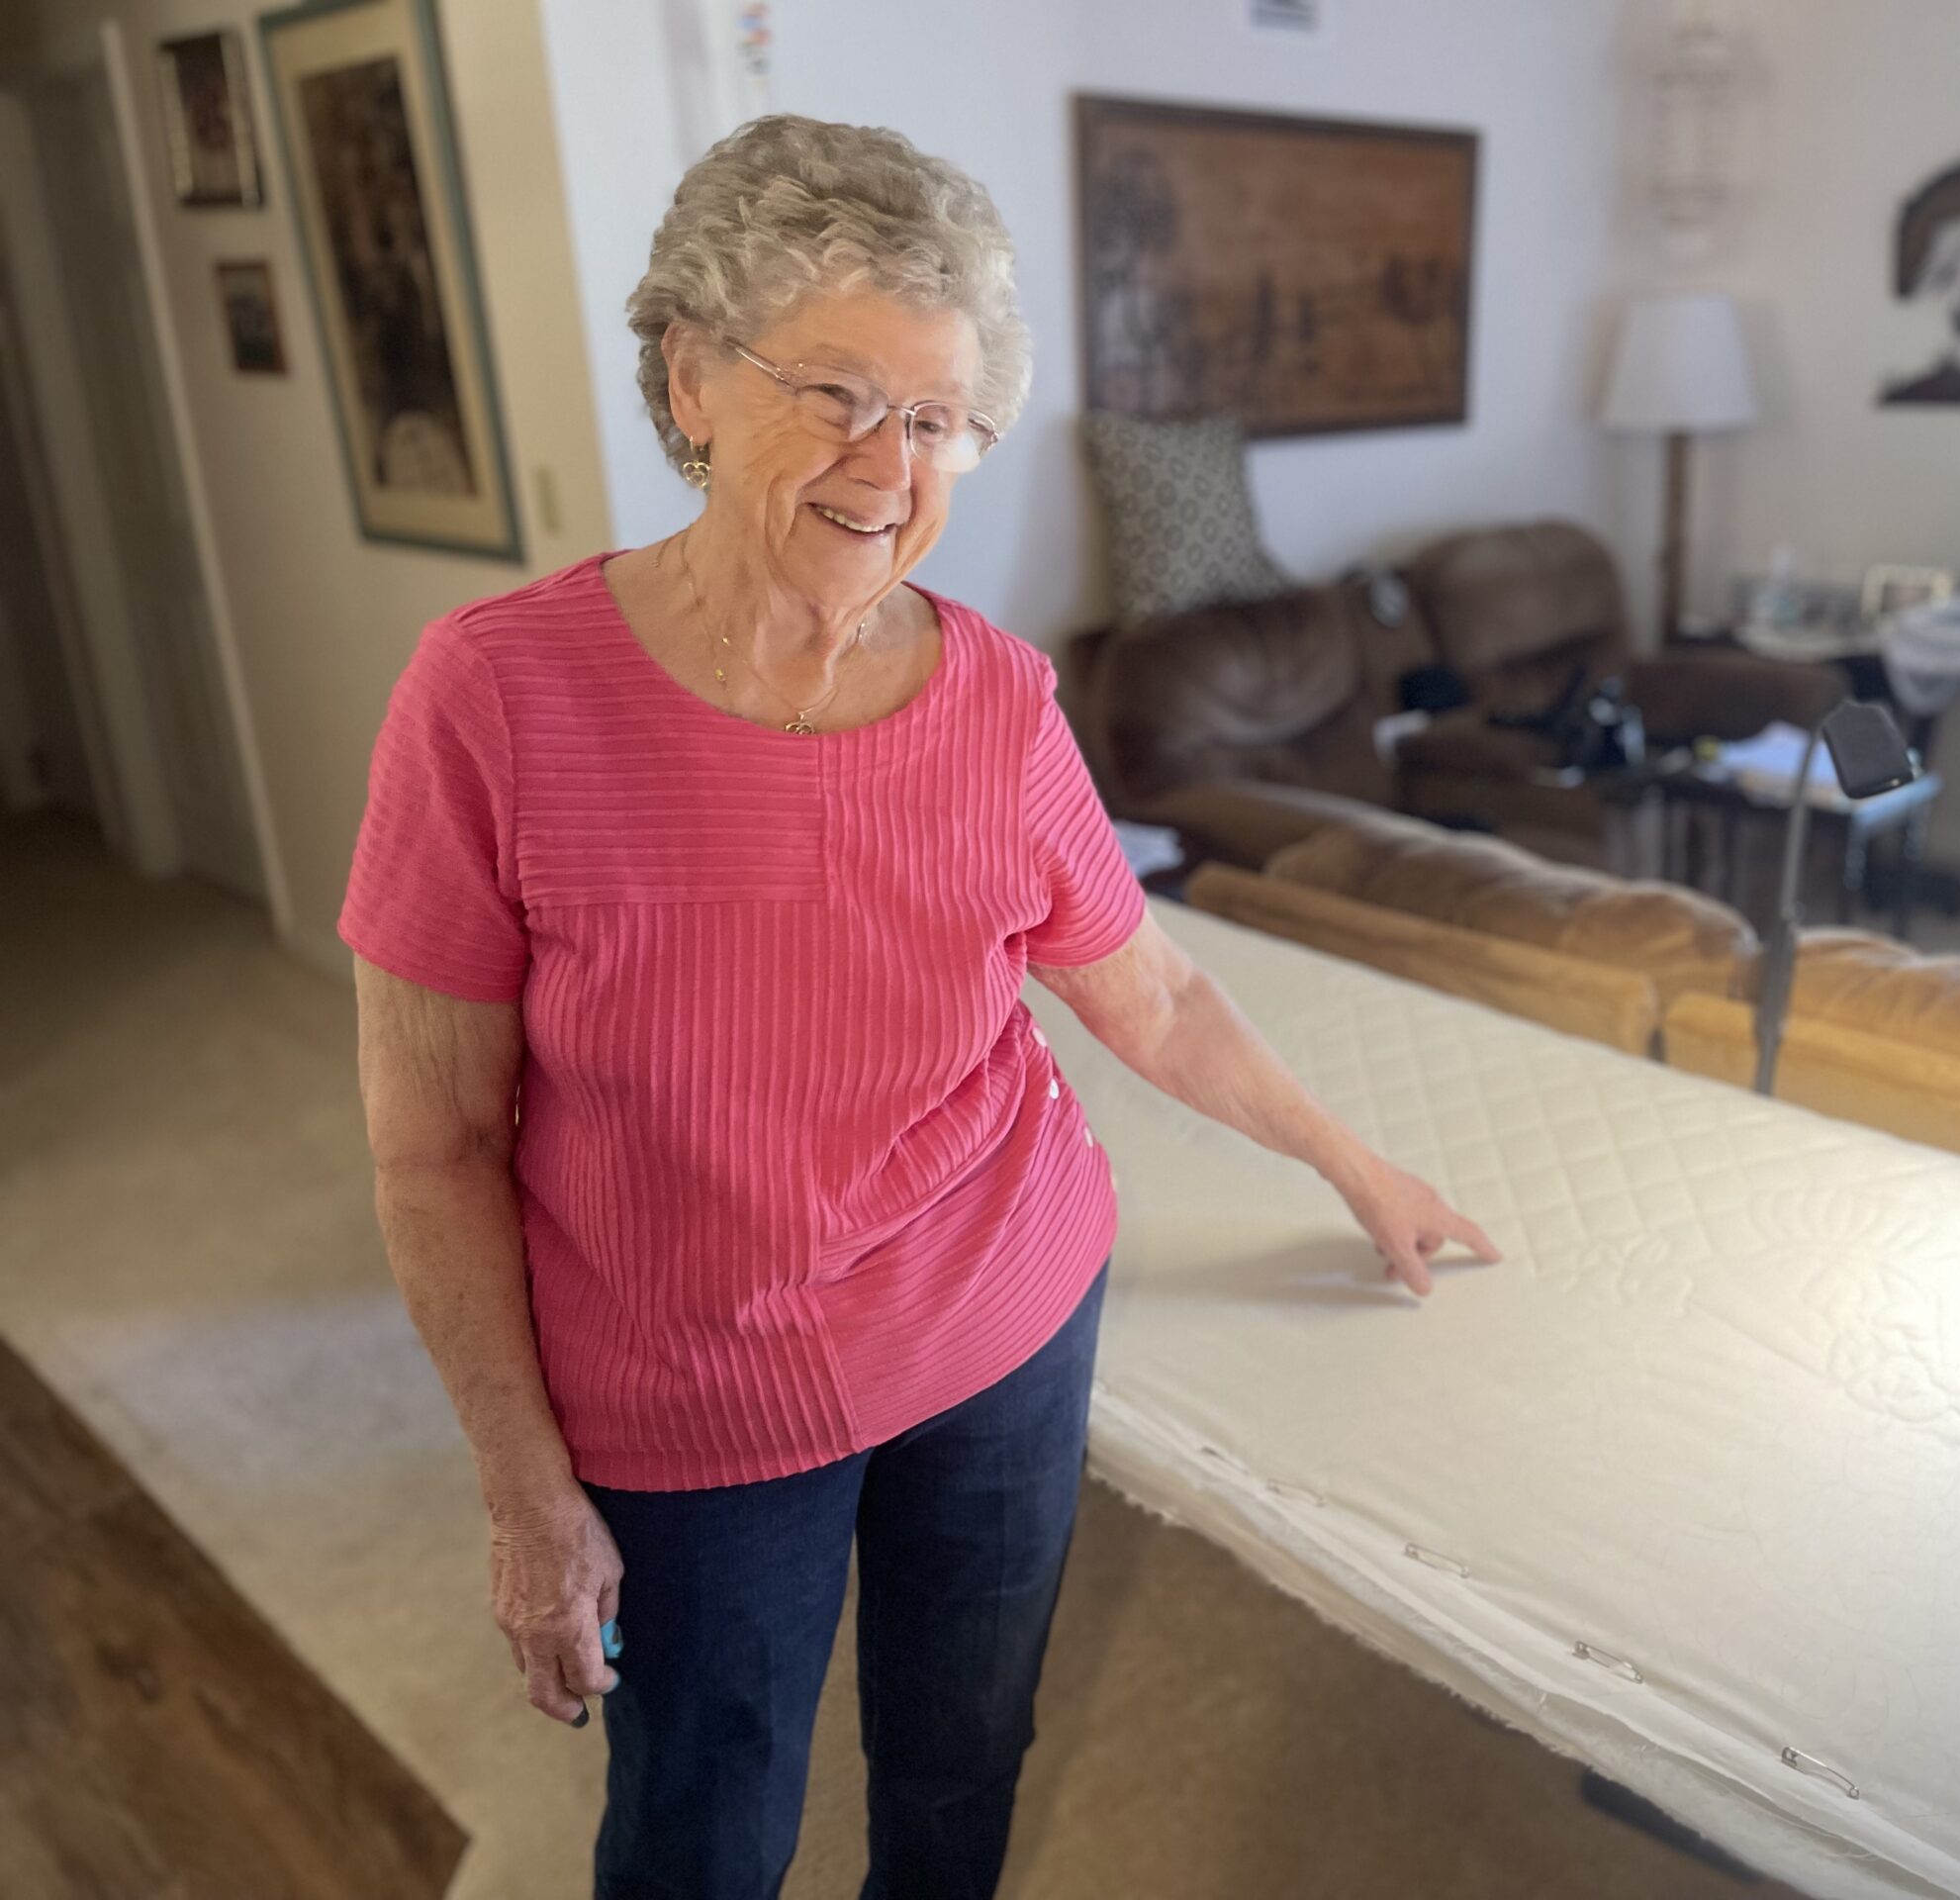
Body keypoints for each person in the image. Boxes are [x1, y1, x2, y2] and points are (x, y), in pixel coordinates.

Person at [340, 115, 1494, 1900]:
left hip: (1002, 1318)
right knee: (705, 1826)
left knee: (960, 1766)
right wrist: (521, 1490)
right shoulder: (496, 700)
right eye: (840, 396)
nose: (891, 467)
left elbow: (1155, 993)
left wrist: (1356, 1165)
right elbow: (430, 1145)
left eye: (941, 420)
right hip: (693, 1387)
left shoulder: (1003, 702)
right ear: (693, 379)